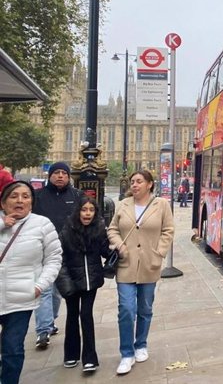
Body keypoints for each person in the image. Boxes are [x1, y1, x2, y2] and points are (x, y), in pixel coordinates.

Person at [107, 170, 175, 375]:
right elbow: (112, 229)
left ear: (149, 184)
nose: (134, 185)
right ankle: (126, 353)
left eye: (139, 181)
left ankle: (141, 344)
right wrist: (120, 246)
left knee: (145, 308)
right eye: (132, 182)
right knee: (126, 309)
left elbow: (168, 230)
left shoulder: (161, 205)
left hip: (149, 263)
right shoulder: (123, 205)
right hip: (126, 264)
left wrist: (159, 253)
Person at [0, 180, 62, 384]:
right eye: (14, 196)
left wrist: (39, 285)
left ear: (32, 203)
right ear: (3, 202)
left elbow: (53, 258)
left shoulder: (42, 225)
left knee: (12, 349)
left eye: (26, 196)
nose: (20, 200)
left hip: (21, 298)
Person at [55, 196, 111, 372]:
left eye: (91, 210)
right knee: (72, 315)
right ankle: (71, 354)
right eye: (84, 209)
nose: (87, 213)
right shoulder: (66, 231)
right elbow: (59, 258)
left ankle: (90, 357)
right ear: (78, 211)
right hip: (71, 280)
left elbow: (105, 251)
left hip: (90, 280)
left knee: (86, 315)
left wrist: (116, 251)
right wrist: (65, 284)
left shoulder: (99, 229)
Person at [32, 161, 82, 348]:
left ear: (69, 176)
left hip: (65, 251)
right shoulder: (37, 197)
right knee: (44, 289)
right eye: (56, 172)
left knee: (57, 293)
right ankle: (43, 330)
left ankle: (50, 321)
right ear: (50, 175)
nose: (60, 176)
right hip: (42, 251)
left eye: (64, 173)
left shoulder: (76, 196)